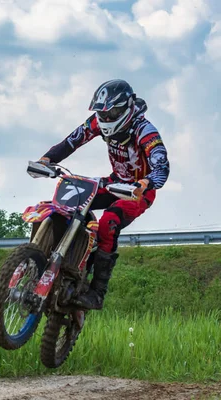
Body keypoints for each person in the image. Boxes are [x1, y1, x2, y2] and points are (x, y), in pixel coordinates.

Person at [35, 79, 170, 310]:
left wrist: (145, 182)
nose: (106, 119)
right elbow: (71, 141)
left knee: (109, 221)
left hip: (138, 192)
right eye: (102, 113)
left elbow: (162, 167)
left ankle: (97, 292)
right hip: (114, 182)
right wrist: (47, 159)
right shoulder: (97, 123)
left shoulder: (144, 130)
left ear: (127, 107)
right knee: (68, 198)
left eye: (113, 113)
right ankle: (46, 259)